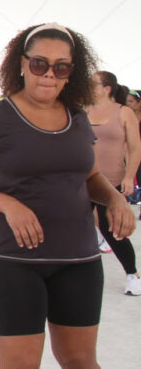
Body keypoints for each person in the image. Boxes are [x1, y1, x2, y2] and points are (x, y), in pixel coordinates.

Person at [0, 23, 136, 368]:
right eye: (39, 64)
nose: (49, 74)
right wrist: (9, 205)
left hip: (78, 259)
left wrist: (114, 199)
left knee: (80, 360)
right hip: (14, 260)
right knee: (21, 364)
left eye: (61, 67)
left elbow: (91, 177)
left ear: (72, 72)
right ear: (21, 64)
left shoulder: (78, 117)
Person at [86, 70, 141, 295]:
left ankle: (133, 275)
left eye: (93, 83)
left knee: (112, 231)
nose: (89, 86)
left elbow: (135, 147)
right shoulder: (83, 110)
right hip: (82, 180)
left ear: (107, 88)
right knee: (74, 227)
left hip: (111, 181)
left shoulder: (123, 112)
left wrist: (129, 176)